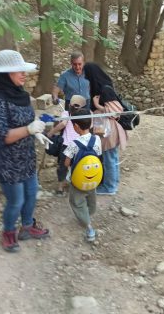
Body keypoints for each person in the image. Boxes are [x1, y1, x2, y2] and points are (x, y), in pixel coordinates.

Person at [0, 50, 51, 252]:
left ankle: (27, 227)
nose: (23, 74)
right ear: (5, 74)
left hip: (25, 156)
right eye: (17, 70)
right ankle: (9, 232)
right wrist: (28, 130)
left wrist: (36, 131)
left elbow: (27, 119)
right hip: (6, 162)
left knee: (31, 193)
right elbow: (0, 135)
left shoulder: (20, 94)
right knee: (16, 200)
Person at [63, 108, 103, 242]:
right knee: (91, 196)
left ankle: (88, 226)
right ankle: (89, 213)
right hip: (94, 177)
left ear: (75, 127)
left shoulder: (73, 144)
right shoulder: (96, 139)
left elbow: (66, 162)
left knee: (76, 201)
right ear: (91, 124)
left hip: (78, 180)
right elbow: (98, 155)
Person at [47, 95, 87, 195]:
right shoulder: (86, 114)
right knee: (77, 165)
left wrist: (50, 133)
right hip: (80, 144)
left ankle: (60, 187)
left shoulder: (66, 112)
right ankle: (77, 185)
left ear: (69, 105)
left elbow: (63, 124)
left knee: (63, 166)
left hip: (67, 145)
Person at [91, 85, 127, 195]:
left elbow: (114, 113)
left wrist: (97, 105)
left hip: (109, 135)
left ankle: (110, 187)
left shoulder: (110, 103)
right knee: (113, 159)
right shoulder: (111, 100)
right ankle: (114, 183)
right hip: (113, 134)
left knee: (109, 161)